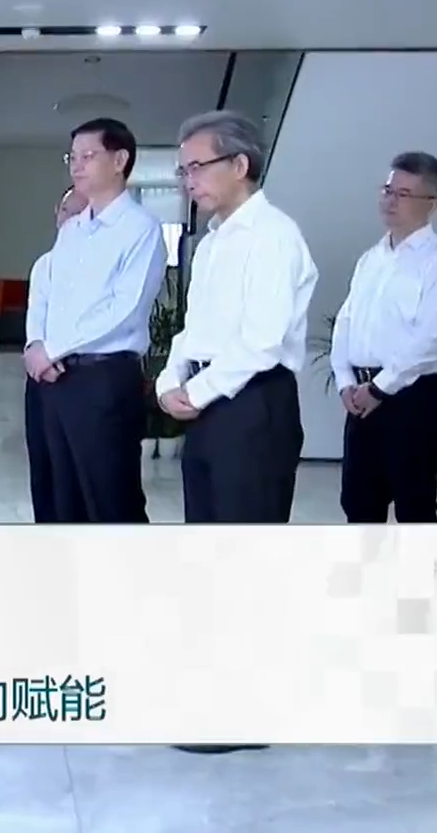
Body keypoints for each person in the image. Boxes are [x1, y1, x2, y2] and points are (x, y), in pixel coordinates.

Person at [157, 111, 316, 757]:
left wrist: (196, 392)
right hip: (214, 401)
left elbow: (261, 340)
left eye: (197, 166)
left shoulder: (273, 236)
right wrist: (171, 377)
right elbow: (193, 328)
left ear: (240, 165)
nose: (188, 180)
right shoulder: (215, 240)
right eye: (183, 170)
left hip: (253, 404)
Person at [27, 118, 169, 524]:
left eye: (88, 156)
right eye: (72, 157)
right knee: (56, 495)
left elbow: (125, 308)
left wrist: (53, 348)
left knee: (109, 498)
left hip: (102, 379)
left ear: (120, 160)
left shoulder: (140, 229)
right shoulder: (71, 230)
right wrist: (36, 345)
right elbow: (48, 296)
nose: (77, 165)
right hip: (51, 378)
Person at [329, 152, 437, 523]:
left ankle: (417, 567)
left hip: (414, 396)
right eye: (387, 190)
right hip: (361, 396)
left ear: (432, 203)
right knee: (358, 503)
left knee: (413, 505)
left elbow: (431, 339)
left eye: (403, 194)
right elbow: (346, 322)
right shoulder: (371, 259)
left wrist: (379, 388)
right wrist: (345, 381)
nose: (390, 200)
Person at [23, 185, 88, 522]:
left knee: (77, 474)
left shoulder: (96, 266)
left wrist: (54, 354)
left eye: (80, 214)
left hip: (79, 372)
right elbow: (36, 316)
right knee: (44, 466)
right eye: (66, 212)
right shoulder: (44, 265)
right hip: (41, 374)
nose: (71, 220)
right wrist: (37, 351)